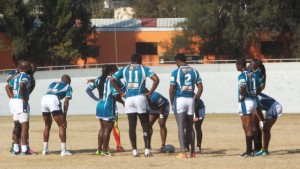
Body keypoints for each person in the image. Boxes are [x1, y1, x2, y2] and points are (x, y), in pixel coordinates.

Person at [110, 53, 160, 157]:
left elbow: (112, 80)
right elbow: (156, 79)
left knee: (132, 126)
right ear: (140, 60)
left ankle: (135, 151)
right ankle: (147, 151)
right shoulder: (143, 69)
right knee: (145, 124)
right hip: (140, 97)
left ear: (131, 60)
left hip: (129, 99)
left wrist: (121, 93)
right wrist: (150, 92)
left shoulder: (125, 69)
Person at [169, 53, 203, 159]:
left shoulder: (176, 72)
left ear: (178, 61)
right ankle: (192, 152)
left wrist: (172, 103)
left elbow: (171, 90)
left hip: (180, 99)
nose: (176, 64)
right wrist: (196, 100)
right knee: (190, 127)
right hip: (190, 99)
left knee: (180, 127)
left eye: (176, 62)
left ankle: (183, 153)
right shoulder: (194, 71)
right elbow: (200, 88)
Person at [86, 65, 125, 152]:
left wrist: (96, 98)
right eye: (116, 71)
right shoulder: (114, 80)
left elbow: (88, 89)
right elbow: (115, 95)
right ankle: (105, 151)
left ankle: (99, 150)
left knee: (102, 128)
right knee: (108, 128)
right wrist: (123, 102)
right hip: (108, 106)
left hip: (100, 105)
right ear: (112, 71)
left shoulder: (99, 79)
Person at [236, 57, 263, 158]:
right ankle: (252, 149)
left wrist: (242, 95)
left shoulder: (242, 75)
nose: (236, 67)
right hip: (253, 101)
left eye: (237, 65)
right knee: (250, 126)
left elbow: (243, 86)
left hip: (245, 101)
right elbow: (260, 86)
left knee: (247, 127)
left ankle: (248, 151)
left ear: (240, 65)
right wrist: (255, 93)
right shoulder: (253, 74)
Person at [41, 74, 73, 156]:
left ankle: (45, 149)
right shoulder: (68, 86)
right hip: (53, 99)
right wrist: (64, 116)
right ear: (68, 81)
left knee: (47, 126)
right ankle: (63, 151)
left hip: (44, 99)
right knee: (62, 125)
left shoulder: (53, 83)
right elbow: (66, 101)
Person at [5, 61, 33, 155]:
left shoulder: (16, 76)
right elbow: (22, 85)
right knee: (24, 126)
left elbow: (7, 87)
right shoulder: (25, 76)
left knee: (17, 126)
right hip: (21, 102)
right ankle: (25, 150)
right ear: (25, 68)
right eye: (29, 66)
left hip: (13, 102)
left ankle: (16, 149)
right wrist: (24, 98)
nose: (30, 68)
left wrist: (12, 97)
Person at [249, 59, 266, 152]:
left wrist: (256, 93)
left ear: (255, 66)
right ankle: (258, 147)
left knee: (253, 125)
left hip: (255, 100)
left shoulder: (257, 74)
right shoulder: (255, 72)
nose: (249, 65)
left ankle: (257, 148)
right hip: (254, 99)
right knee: (254, 125)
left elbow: (261, 87)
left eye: (251, 63)